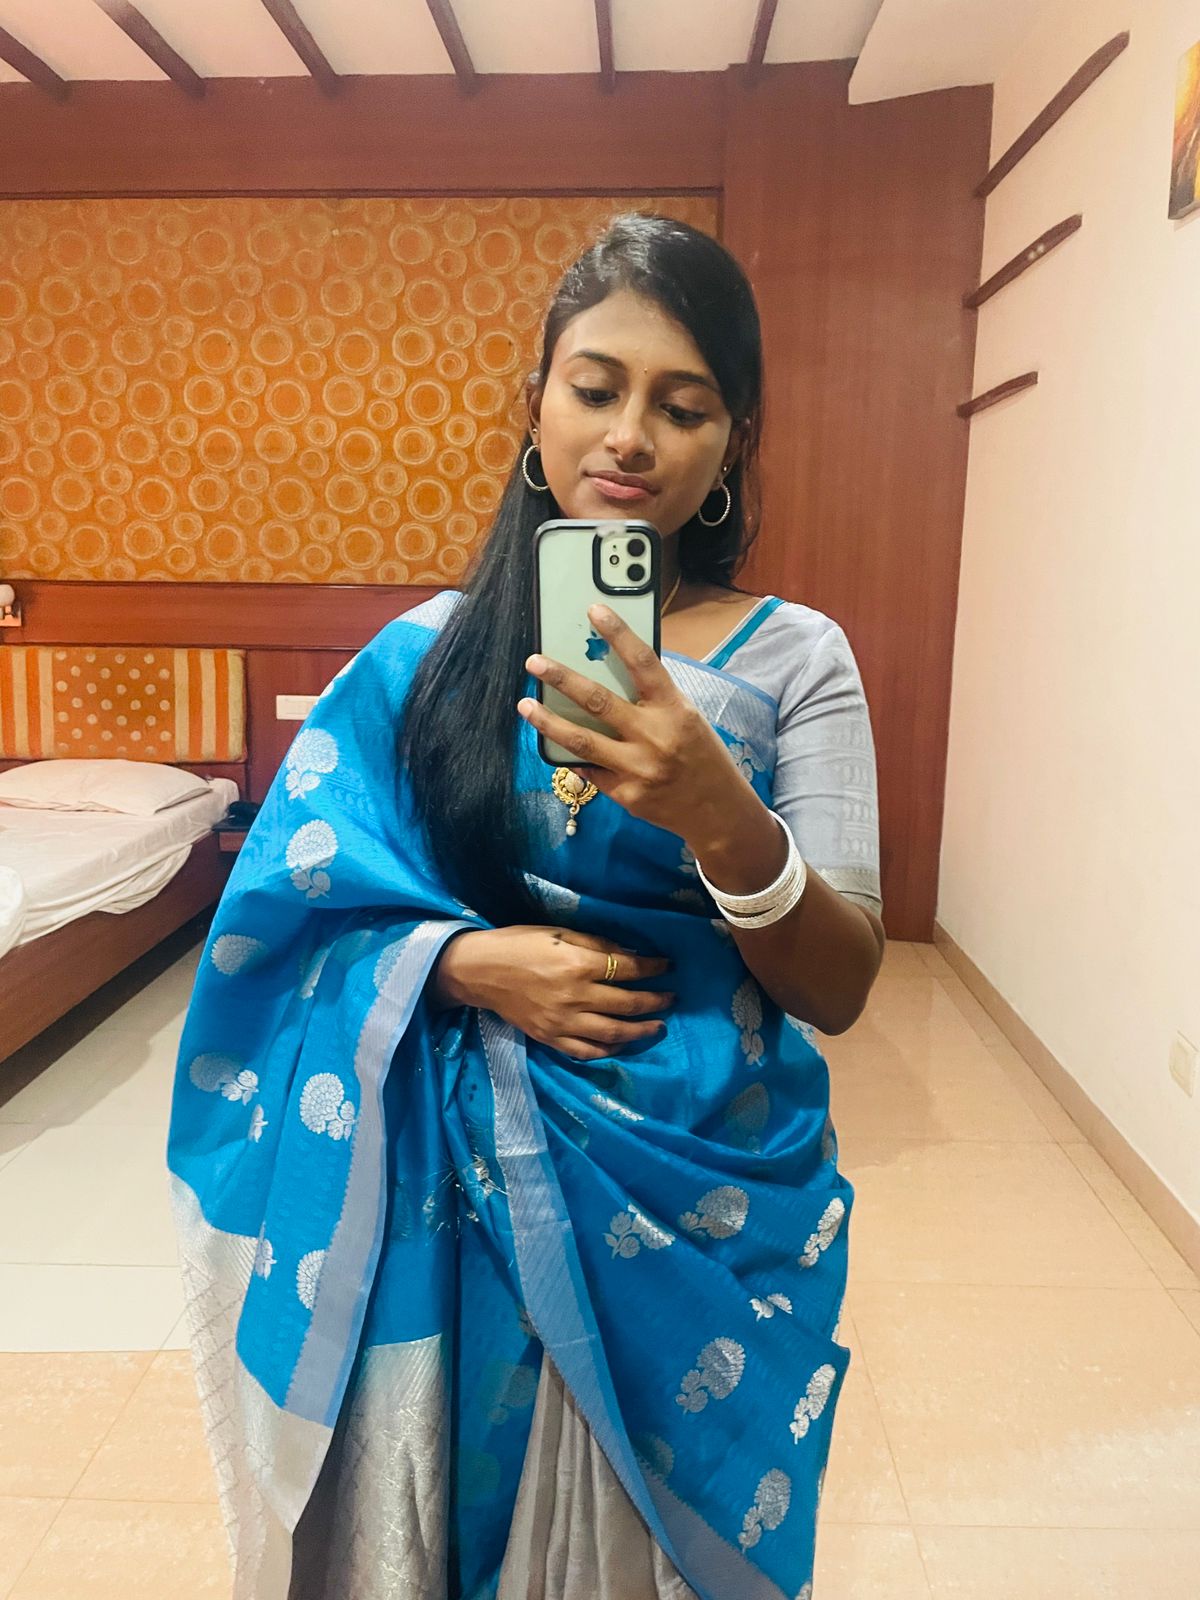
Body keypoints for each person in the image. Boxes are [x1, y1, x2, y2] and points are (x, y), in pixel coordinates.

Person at [167, 212, 886, 1600]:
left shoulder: (799, 660)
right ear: (538, 405)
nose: (630, 438)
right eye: (595, 388)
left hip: (707, 1192)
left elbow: (842, 981)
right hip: (460, 1183)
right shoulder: (430, 657)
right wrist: (463, 964)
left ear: (734, 440)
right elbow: (287, 903)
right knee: (467, 1515)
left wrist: (719, 812)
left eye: (683, 407)